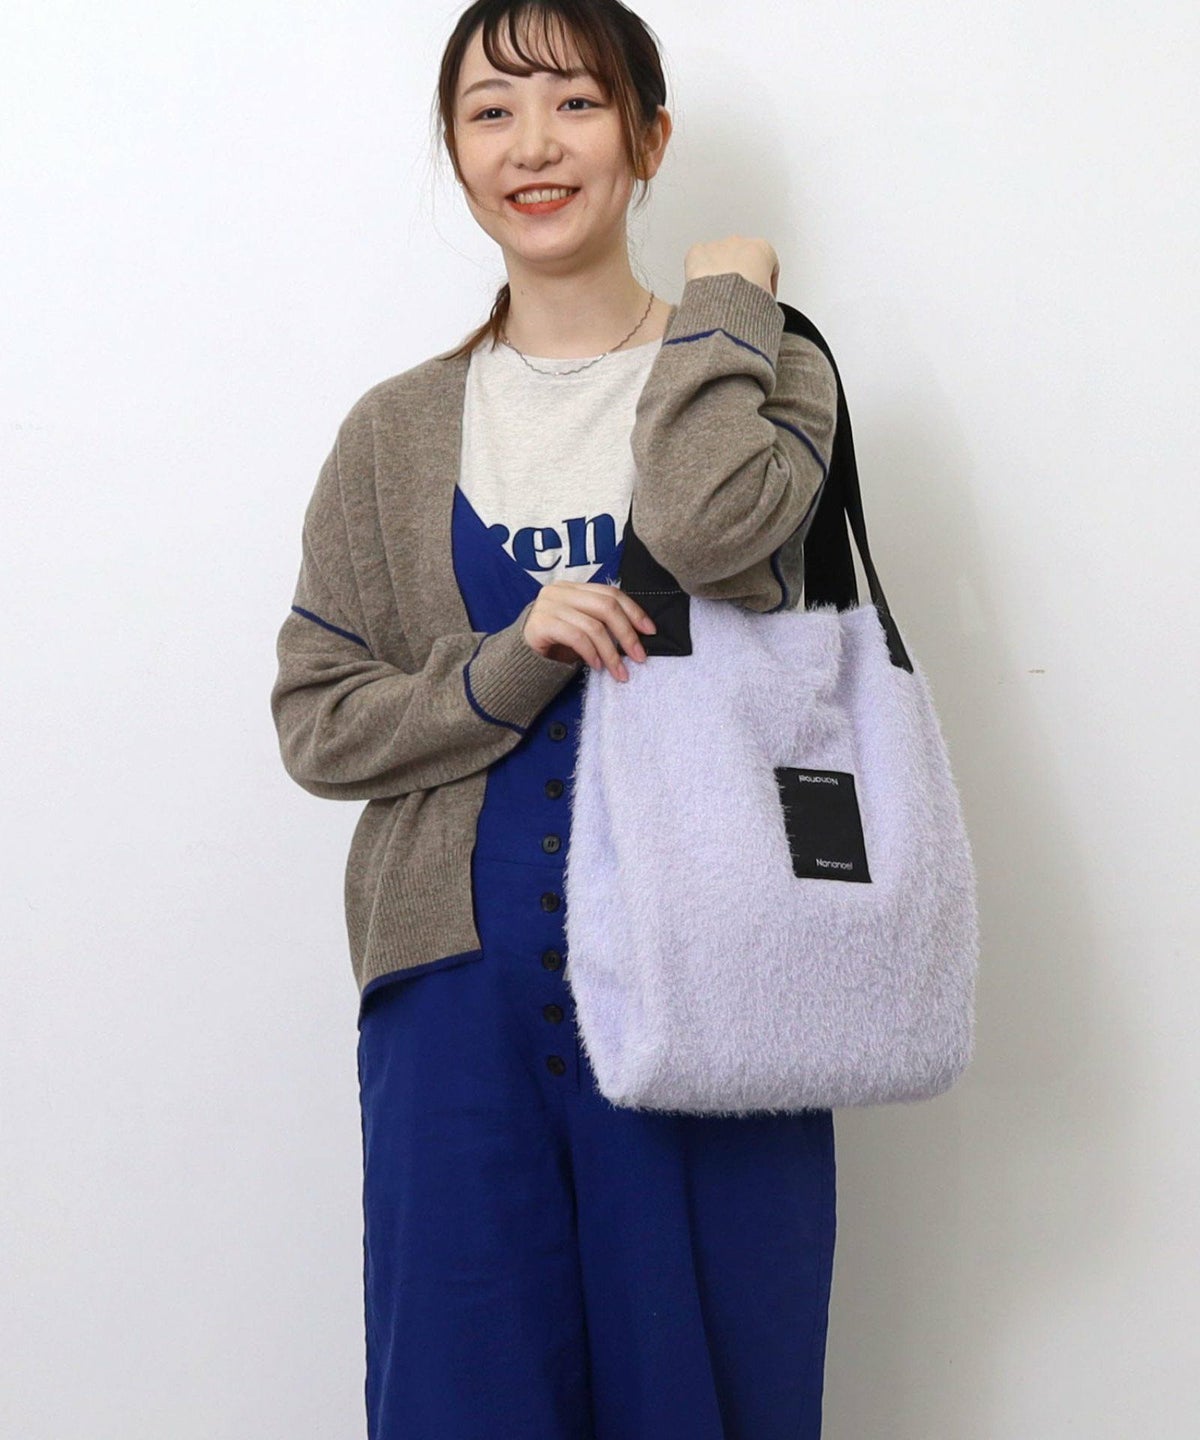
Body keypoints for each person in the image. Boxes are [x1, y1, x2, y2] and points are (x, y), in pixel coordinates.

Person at [270, 2, 842, 1436]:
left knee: (711, 1393)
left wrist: (729, 296)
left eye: (577, 104)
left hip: (720, 996)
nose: (533, 145)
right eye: (490, 112)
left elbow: (707, 525)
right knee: (466, 1396)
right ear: (454, 150)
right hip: (458, 1007)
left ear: (650, 138)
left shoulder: (770, 374)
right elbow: (318, 721)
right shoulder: (393, 434)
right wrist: (505, 660)